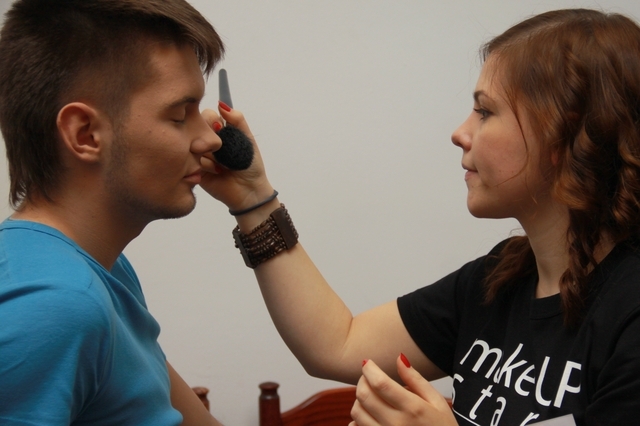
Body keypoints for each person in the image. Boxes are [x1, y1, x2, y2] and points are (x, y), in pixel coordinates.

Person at [202, 8, 640, 425]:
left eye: (485, 111)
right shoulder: (500, 278)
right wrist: (254, 199)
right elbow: (337, 344)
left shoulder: (629, 314)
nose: (460, 133)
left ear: (564, 134)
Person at [0, 0, 226, 424]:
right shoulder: (55, 305)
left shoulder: (105, 270)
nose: (210, 140)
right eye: (180, 115)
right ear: (85, 134)